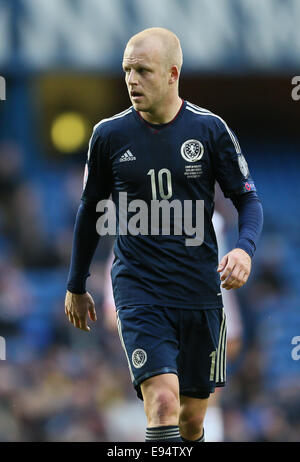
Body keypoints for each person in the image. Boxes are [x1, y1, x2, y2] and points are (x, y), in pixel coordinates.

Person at [65, 27, 263, 443]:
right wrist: (76, 284)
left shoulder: (210, 131)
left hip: (199, 290)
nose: (132, 81)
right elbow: (89, 212)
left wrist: (244, 250)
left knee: (191, 422)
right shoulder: (109, 135)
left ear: (172, 74)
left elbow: (249, 202)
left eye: (143, 71)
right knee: (162, 405)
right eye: (127, 71)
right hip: (139, 288)